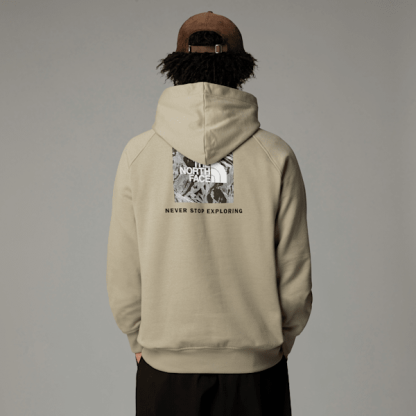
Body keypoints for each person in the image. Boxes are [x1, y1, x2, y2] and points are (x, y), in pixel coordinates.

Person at [106, 11, 313, 416]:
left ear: (176, 68)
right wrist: (277, 342)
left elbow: (123, 267)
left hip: (165, 372)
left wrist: (137, 338)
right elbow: (294, 269)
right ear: (241, 69)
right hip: (256, 373)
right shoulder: (275, 155)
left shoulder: (138, 154)